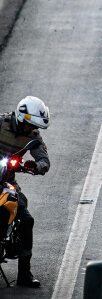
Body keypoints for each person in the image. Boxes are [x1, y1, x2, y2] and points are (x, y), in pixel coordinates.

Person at [0, 96, 50, 287]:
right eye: (29, 125)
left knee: (26, 220)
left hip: (6, 183)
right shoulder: (1, 123)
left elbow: (45, 161)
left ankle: (24, 273)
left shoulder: (34, 136)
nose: (32, 129)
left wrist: (34, 166)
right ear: (21, 118)